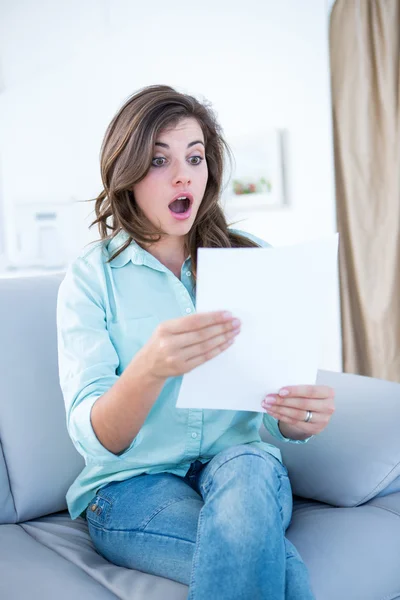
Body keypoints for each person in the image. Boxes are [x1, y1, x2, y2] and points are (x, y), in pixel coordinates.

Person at [57, 84, 335, 599]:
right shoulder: (91, 278)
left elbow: (275, 405)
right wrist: (149, 370)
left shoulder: (255, 263)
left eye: (195, 157)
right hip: (131, 486)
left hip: (243, 468)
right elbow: (96, 439)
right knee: (283, 573)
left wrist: (296, 420)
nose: (184, 174)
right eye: (160, 160)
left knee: (250, 466)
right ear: (129, 173)